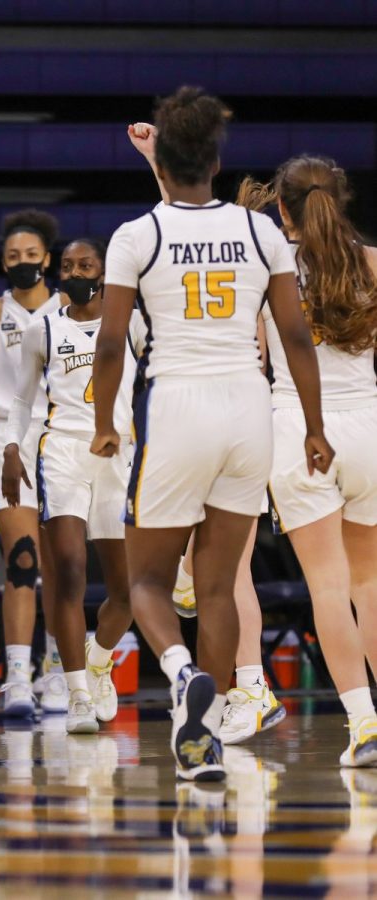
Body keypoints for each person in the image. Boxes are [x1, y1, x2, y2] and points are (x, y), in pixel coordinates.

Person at [90, 87, 332, 781]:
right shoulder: (262, 234)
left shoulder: (138, 235)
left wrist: (106, 423)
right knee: (222, 587)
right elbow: (294, 336)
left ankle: (178, 671)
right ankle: (209, 732)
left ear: (161, 160)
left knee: (146, 582)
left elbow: (111, 347)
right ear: (218, 160)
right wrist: (313, 427)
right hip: (250, 407)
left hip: (177, 407)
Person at [128, 122, 286, 745]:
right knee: (209, 568)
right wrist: (155, 160)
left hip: (247, 417)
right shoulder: (253, 257)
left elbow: (173, 225)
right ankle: (234, 678)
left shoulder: (263, 272)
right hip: (244, 420)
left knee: (230, 572)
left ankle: (252, 683)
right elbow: (176, 221)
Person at [241, 156, 377, 766]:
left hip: (300, 427)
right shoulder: (372, 261)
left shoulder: (266, 268)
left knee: (328, 586)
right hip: (369, 423)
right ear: (341, 200)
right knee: (371, 584)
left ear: (284, 209)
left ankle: (364, 724)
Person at [2, 237, 141, 733]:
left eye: (86, 264)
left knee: (127, 593)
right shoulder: (43, 328)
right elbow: (21, 400)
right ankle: (78, 693)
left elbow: (157, 378)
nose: (75, 271)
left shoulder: (131, 322)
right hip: (61, 451)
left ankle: (98, 659)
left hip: (118, 454)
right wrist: (13, 449)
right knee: (69, 567)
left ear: (103, 272)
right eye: (67, 265)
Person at [0, 210, 67, 718]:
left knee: (63, 564)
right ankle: (18, 675)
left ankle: (57, 669)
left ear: (48, 258)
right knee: (22, 558)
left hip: (65, 438)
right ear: (4, 262)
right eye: (13, 256)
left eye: (31, 255)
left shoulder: (69, 308)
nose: (23, 262)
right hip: (7, 440)